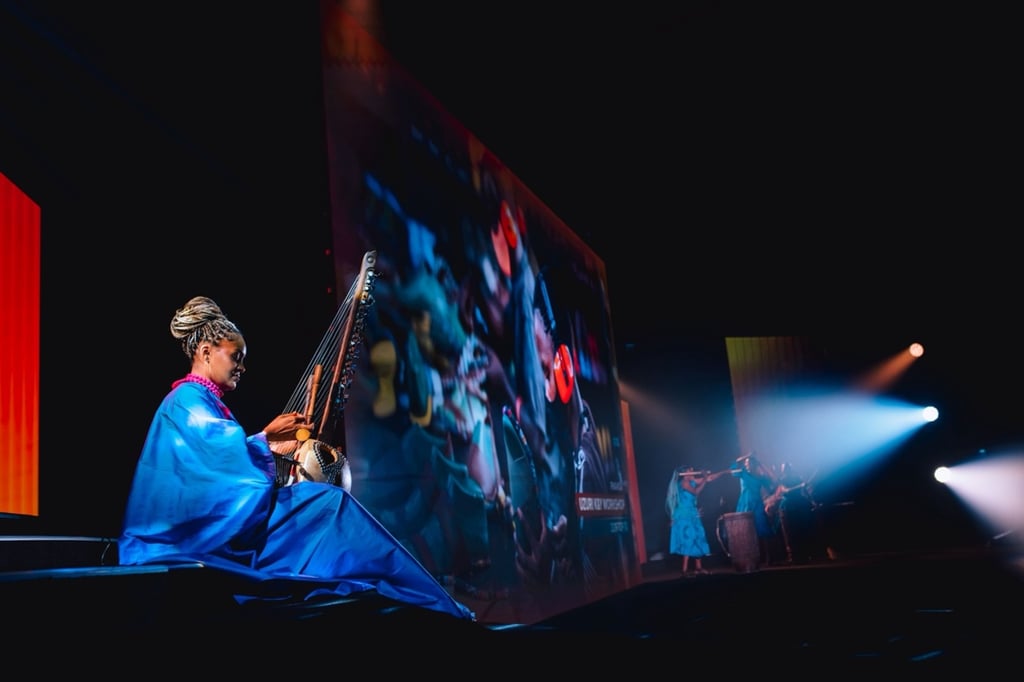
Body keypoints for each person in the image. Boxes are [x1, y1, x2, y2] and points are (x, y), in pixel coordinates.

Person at [118, 296, 475, 622]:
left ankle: (425, 599)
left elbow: (222, 464)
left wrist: (271, 448)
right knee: (328, 505)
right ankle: (429, 602)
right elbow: (217, 467)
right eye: (235, 356)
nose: (242, 367)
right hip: (198, 539)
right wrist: (266, 440)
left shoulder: (203, 402)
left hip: (227, 525)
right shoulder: (186, 402)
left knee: (326, 504)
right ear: (207, 352)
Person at [666, 466, 724, 576]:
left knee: (698, 537)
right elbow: (696, 492)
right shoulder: (684, 483)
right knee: (689, 539)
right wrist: (705, 479)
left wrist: (722, 472)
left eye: (693, 470)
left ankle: (698, 568)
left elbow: (707, 479)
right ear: (684, 473)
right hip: (685, 515)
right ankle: (684, 570)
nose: (692, 472)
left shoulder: (691, 481)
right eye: (690, 471)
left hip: (693, 513)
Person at [731, 452, 778, 567]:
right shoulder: (742, 473)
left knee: (763, 530)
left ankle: (769, 558)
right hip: (745, 505)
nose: (746, 465)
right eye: (746, 463)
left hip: (757, 505)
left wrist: (760, 463)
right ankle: (752, 559)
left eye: (749, 463)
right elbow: (733, 465)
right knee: (747, 533)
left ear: (753, 465)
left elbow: (772, 482)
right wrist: (747, 455)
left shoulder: (759, 477)